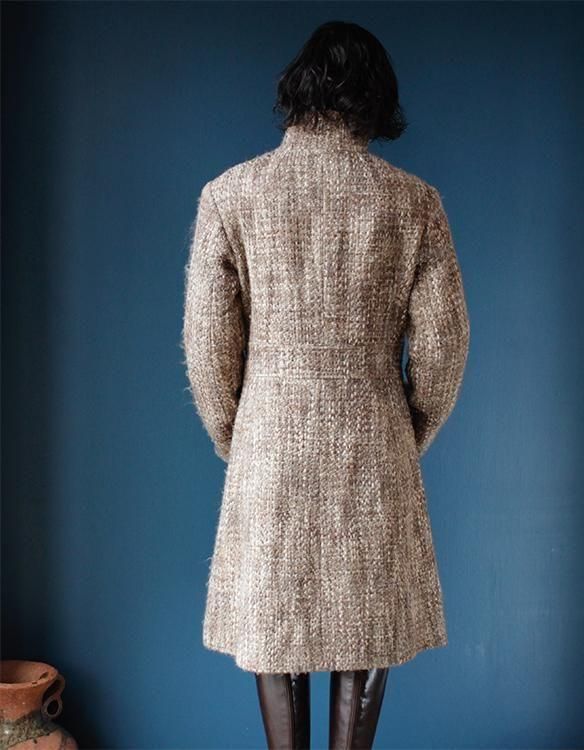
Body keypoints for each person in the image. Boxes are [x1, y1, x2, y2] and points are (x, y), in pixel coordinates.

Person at [182, 20, 470, 750]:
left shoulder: (232, 194)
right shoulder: (413, 203)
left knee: (274, 622)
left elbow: (208, 348)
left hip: (269, 444)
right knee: (365, 620)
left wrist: (237, 436)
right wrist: (408, 430)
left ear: (298, 89)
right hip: (373, 441)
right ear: (378, 97)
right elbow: (443, 349)